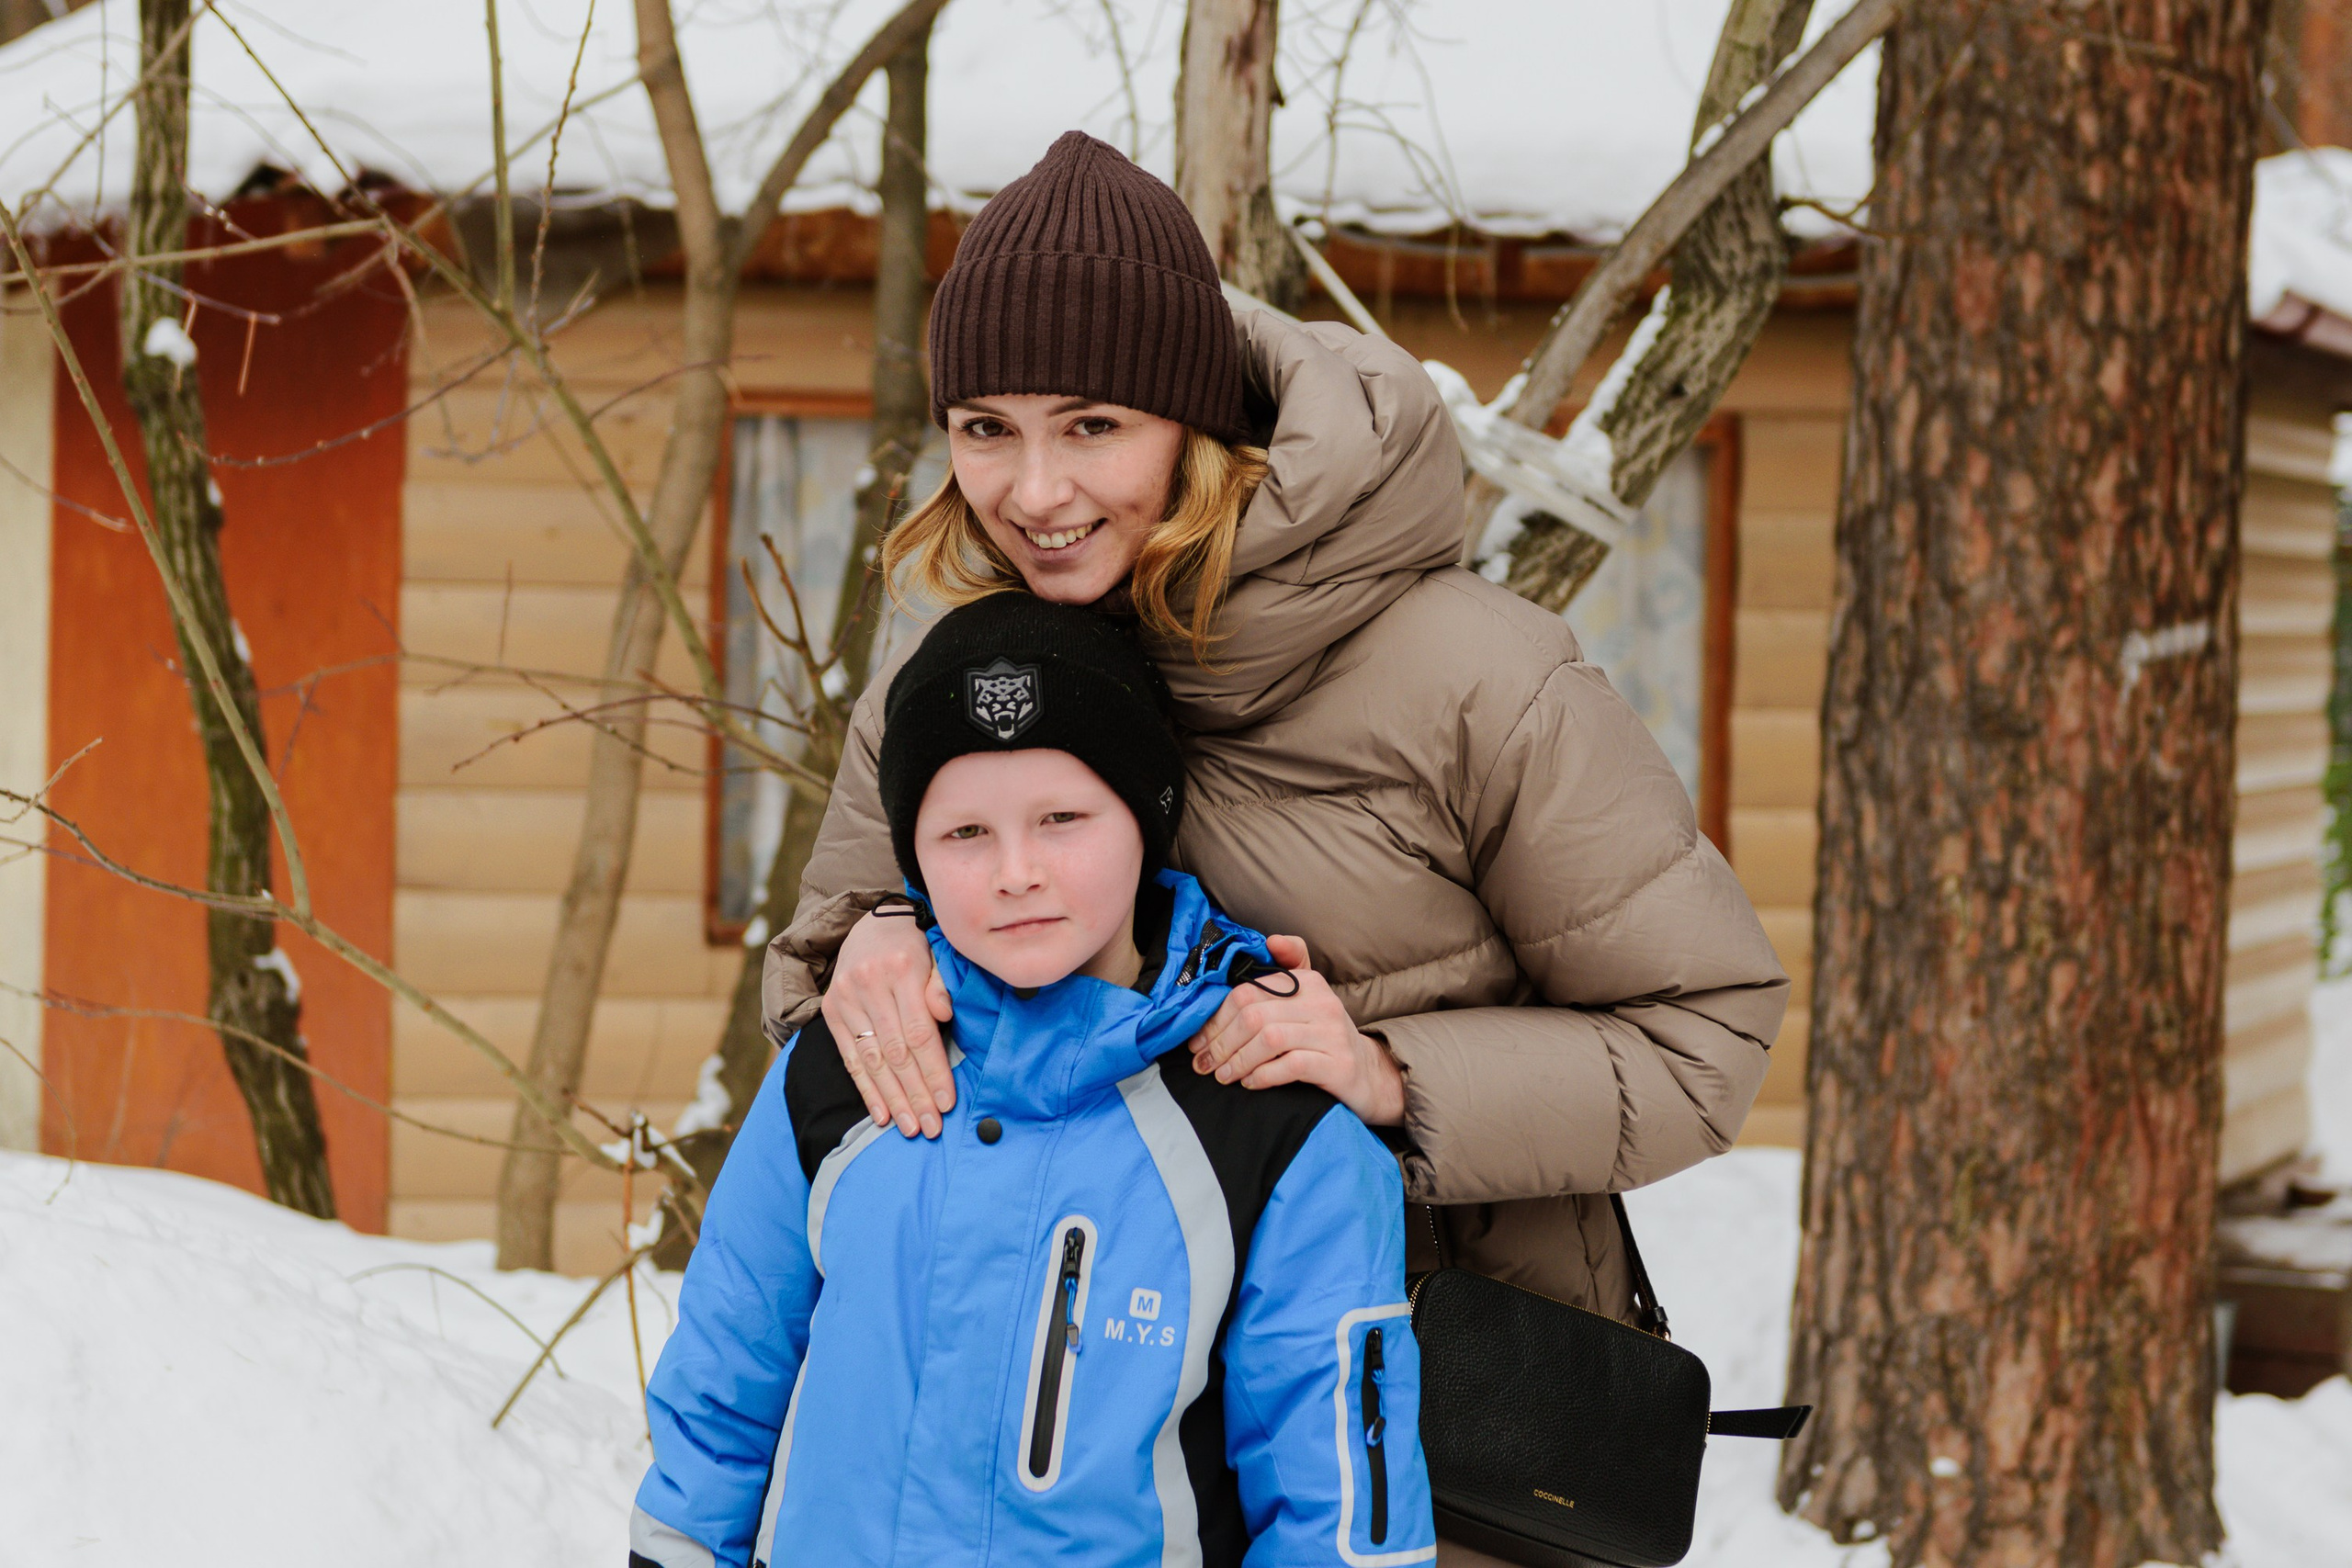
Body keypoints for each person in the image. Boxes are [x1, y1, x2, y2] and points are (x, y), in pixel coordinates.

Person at [767, 130, 1789, 1562]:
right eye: (986, 427)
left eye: (1092, 425)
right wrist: (865, 937)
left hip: (1421, 1443)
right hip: (1083, 1453)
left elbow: (1708, 1031)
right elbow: (827, 999)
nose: (1035, 489)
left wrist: (1385, 1072)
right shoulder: (952, 674)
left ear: (1194, 421)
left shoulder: (1479, 678)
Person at [632, 596, 1435, 1568]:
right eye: (964, 834)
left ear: (1145, 820)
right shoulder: (844, 1067)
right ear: (912, 859)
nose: (1015, 871)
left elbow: (1335, 1495)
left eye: (1062, 819)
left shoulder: (1269, 1118)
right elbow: (727, 1364)